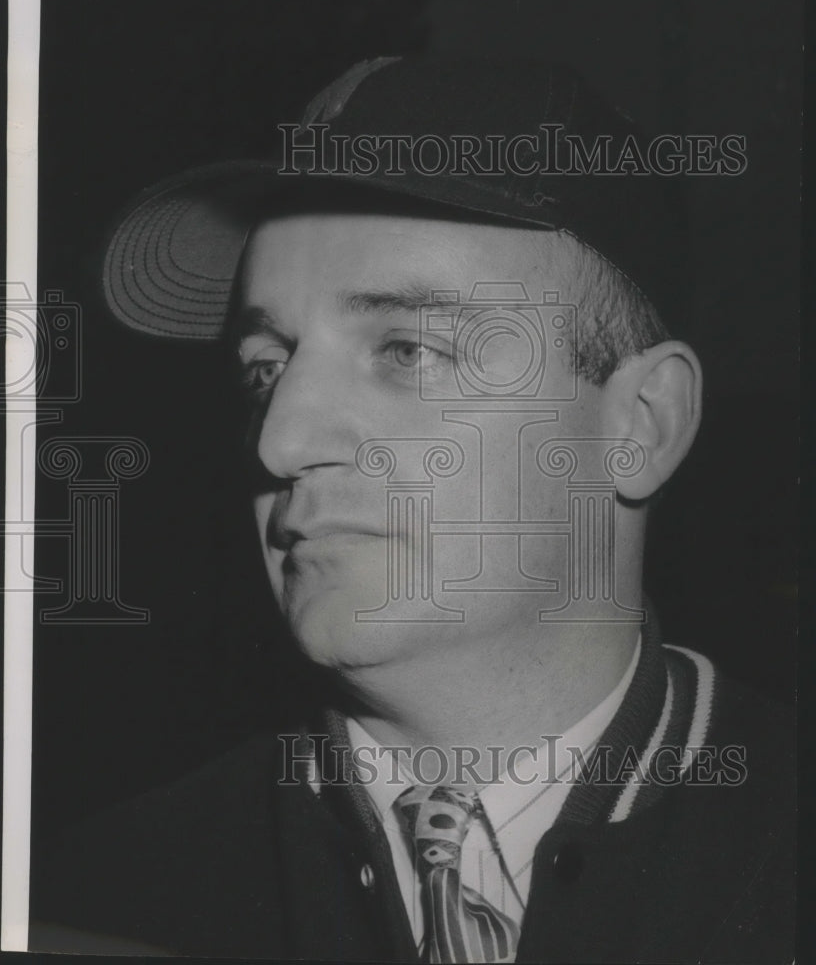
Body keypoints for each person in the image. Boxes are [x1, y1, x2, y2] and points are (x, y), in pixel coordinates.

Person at [30, 58, 794, 963]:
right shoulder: (94, 902)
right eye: (265, 369)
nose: (279, 442)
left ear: (642, 423)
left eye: (406, 349)